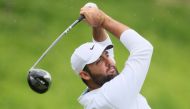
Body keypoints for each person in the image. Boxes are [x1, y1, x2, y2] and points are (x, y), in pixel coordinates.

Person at [70, 3, 153, 109]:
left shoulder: (96, 95)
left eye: (106, 54)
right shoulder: (112, 96)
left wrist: (96, 25)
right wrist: (103, 20)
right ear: (85, 74)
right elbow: (143, 48)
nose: (110, 62)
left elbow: (102, 45)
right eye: (99, 61)